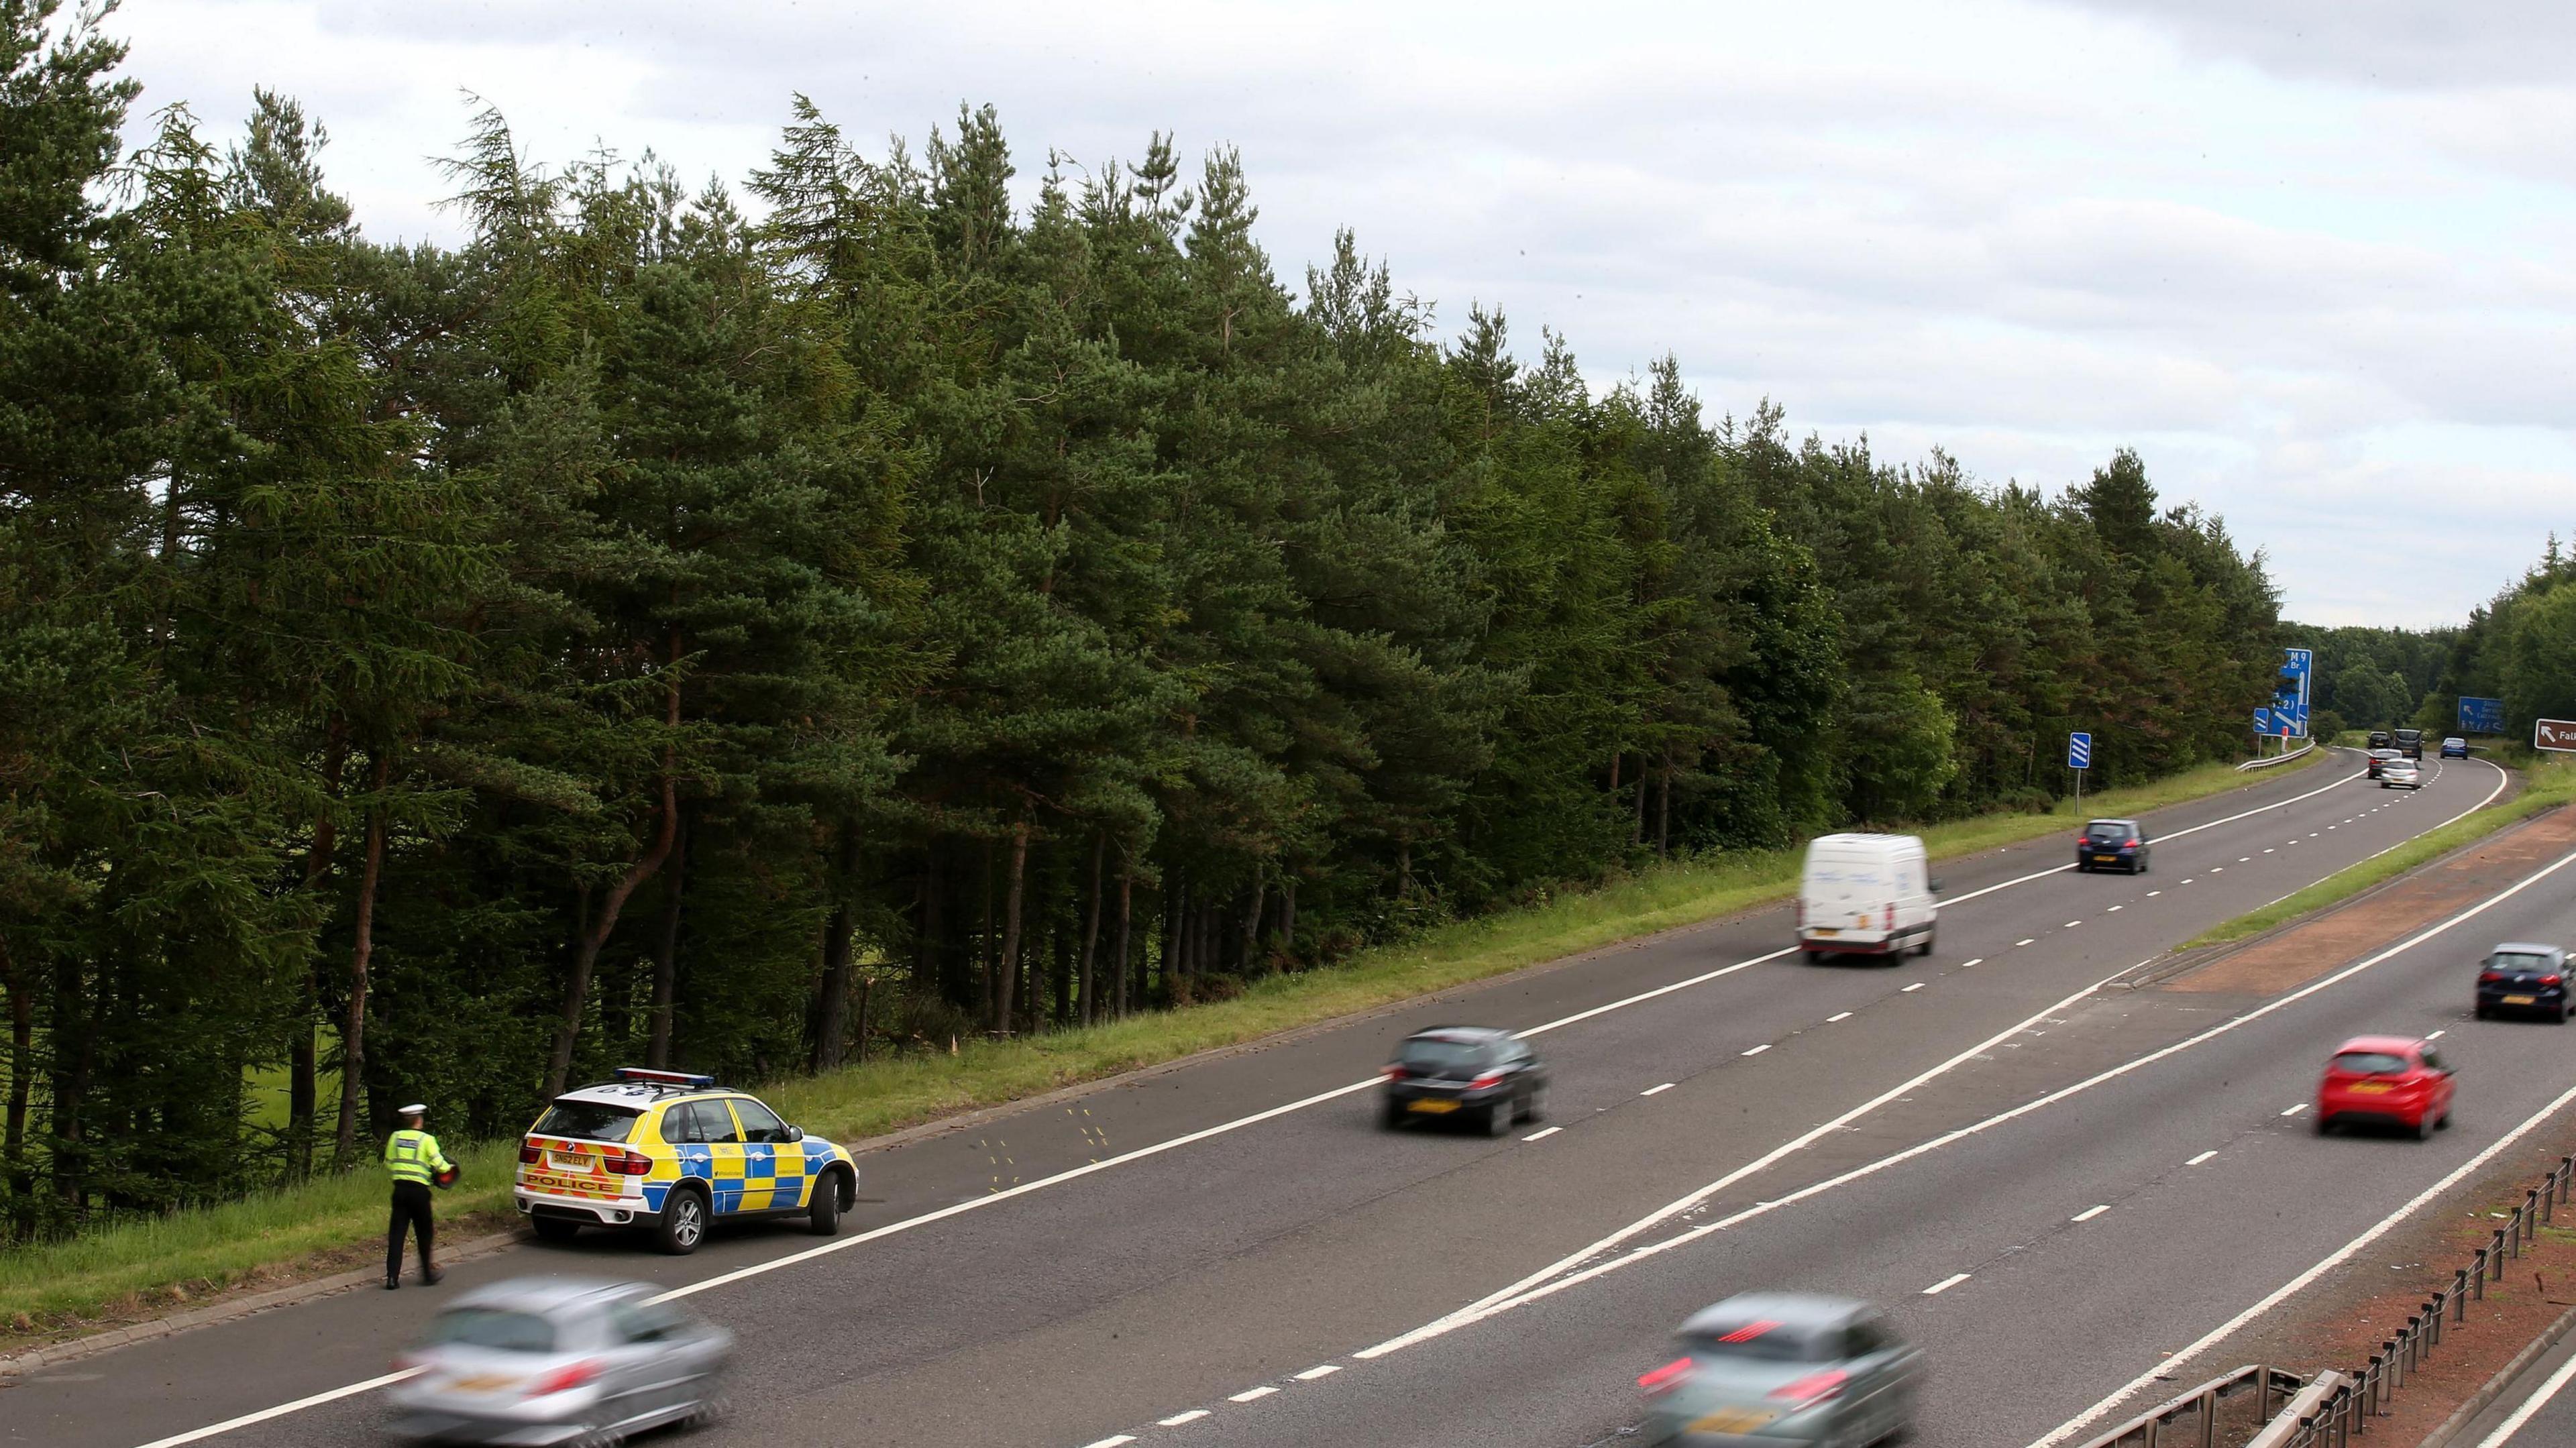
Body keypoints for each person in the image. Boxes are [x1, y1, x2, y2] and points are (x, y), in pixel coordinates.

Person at [384, 1103, 453, 1289]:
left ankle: (392, 1278)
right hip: (419, 1193)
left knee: (397, 1234)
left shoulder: (395, 1138)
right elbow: (441, 1165)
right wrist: (450, 1170)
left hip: (399, 1191)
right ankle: (427, 1275)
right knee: (424, 1232)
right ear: (419, 1120)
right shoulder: (426, 1140)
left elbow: (389, 1163)